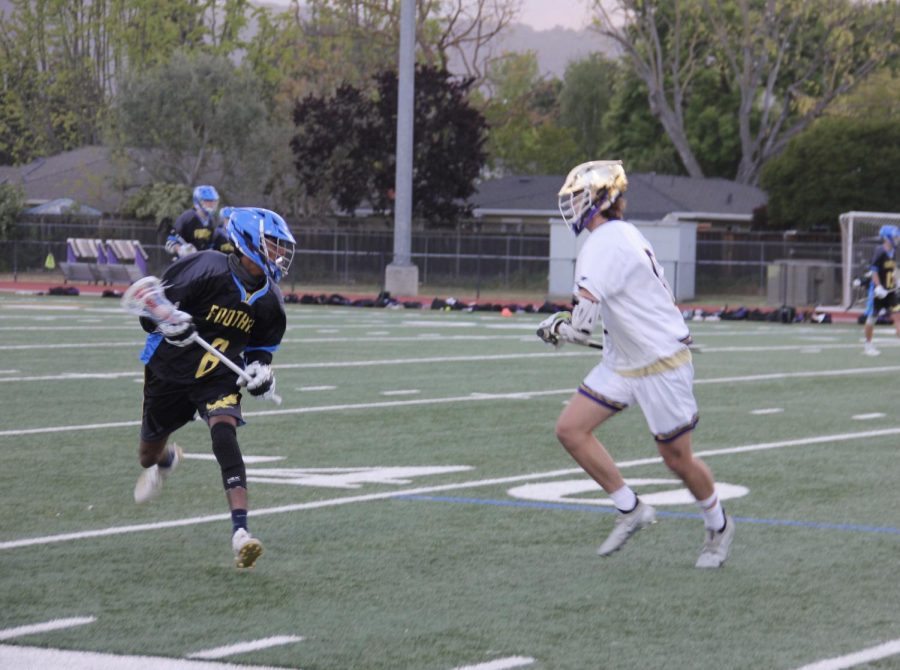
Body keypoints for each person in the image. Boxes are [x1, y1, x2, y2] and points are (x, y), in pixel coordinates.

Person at [537, 160, 734, 568]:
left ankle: (718, 525)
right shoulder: (617, 235)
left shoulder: (604, 242)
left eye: (579, 197)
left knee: (677, 459)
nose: (572, 205)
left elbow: (581, 326)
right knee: (571, 430)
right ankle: (630, 508)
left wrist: (557, 328)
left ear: (601, 198)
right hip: (625, 358)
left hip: (660, 361)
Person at [131, 207, 296, 569]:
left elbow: (260, 353)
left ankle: (241, 533)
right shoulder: (206, 267)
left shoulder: (270, 302)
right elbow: (149, 311)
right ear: (250, 242)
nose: (280, 254)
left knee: (225, 433)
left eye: (282, 247)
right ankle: (166, 461)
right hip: (169, 370)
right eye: (273, 244)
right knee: (147, 455)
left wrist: (260, 375)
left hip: (218, 375)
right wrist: (171, 322)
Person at [862, 225, 900, 356]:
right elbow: (874, 271)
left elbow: (892, 270)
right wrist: (878, 286)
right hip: (878, 292)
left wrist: (897, 281)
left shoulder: (893, 252)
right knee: (872, 318)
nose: (897, 239)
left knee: (898, 317)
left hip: (890, 292)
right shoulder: (880, 251)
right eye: (895, 236)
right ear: (887, 237)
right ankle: (867, 344)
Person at [165, 185, 231, 258]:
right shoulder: (188, 217)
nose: (212, 204)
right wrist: (180, 249)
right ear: (198, 201)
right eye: (208, 201)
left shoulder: (211, 220)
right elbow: (169, 242)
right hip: (184, 262)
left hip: (201, 262)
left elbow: (210, 244)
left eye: (213, 201)